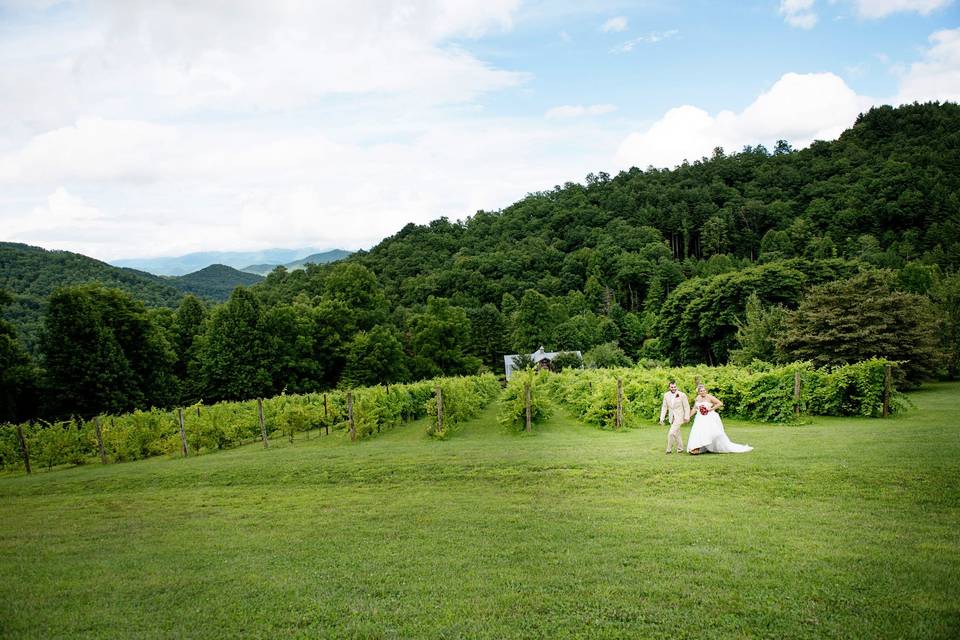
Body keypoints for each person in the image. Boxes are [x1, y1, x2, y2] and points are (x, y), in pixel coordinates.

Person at [687, 384, 753, 455]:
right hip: (699, 418)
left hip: (708, 418)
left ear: (706, 390)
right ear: (698, 392)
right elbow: (694, 408)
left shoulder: (709, 397)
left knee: (708, 432)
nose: (703, 392)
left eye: (704, 390)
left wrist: (711, 409)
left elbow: (720, 403)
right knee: (697, 431)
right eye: (701, 391)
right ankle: (696, 447)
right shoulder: (697, 398)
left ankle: (699, 448)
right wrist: (689, 416)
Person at [659, 381, 690, 454]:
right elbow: (664, 407)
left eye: (675, 387)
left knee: (671, 433)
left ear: (677, 387)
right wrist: (661, 418)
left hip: (679, 416)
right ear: (669, 387)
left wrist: (686, 416)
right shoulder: (666, 395)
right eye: (672, 387)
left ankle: (668, 449)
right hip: (671, 417)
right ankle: (680, 448)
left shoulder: (682, 395)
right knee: (677, 433)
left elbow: (686, 406)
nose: (673, 388)